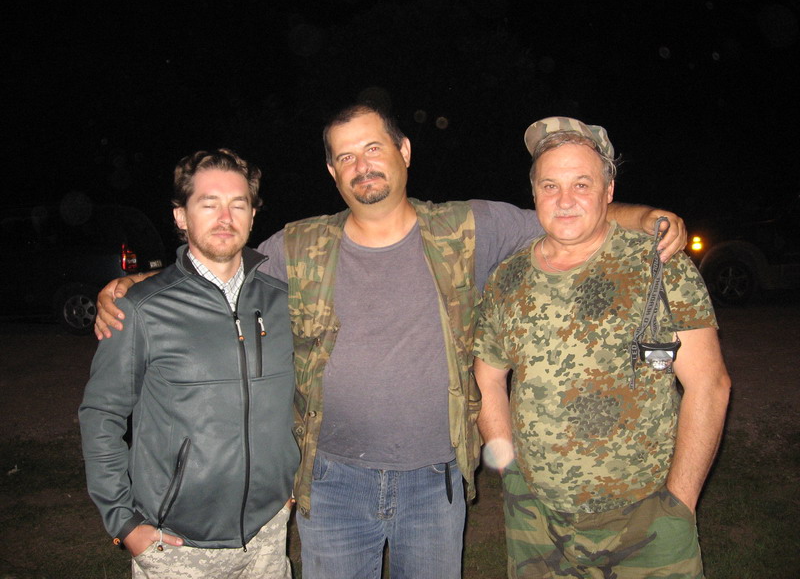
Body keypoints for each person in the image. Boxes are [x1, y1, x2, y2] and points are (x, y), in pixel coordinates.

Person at [94, 104, 687, 579]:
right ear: (333, 172)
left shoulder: (466, 228)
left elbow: (565, 214)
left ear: (404, 152)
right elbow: (219, 264)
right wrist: (132, 285)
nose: (362, 165)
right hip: (331, 484)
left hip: (435, 483)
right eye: (345, 156)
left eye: (373, 148)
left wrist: (647, 217)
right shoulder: (299, 246)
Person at [473, 117, 731, 578]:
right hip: (537, 522)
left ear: (608, 191)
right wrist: (510, 473)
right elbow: (488, 377)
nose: (564, 200)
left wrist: (679, 502)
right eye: (550, 185)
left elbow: (709, 386)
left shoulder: (658, 265)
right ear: (533, 193)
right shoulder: (506, 279)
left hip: (646, 519)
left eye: (581, 184)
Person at [79, 149, 299, 578]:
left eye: (238, 204)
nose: (225, 217)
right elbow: (101, 414)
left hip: (269, 536)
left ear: (253, 215)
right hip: (176, 545)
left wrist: (288, 482)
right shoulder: (142, 309)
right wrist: (124, 523)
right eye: (208, 203)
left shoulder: (282, 302)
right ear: (181, 216)